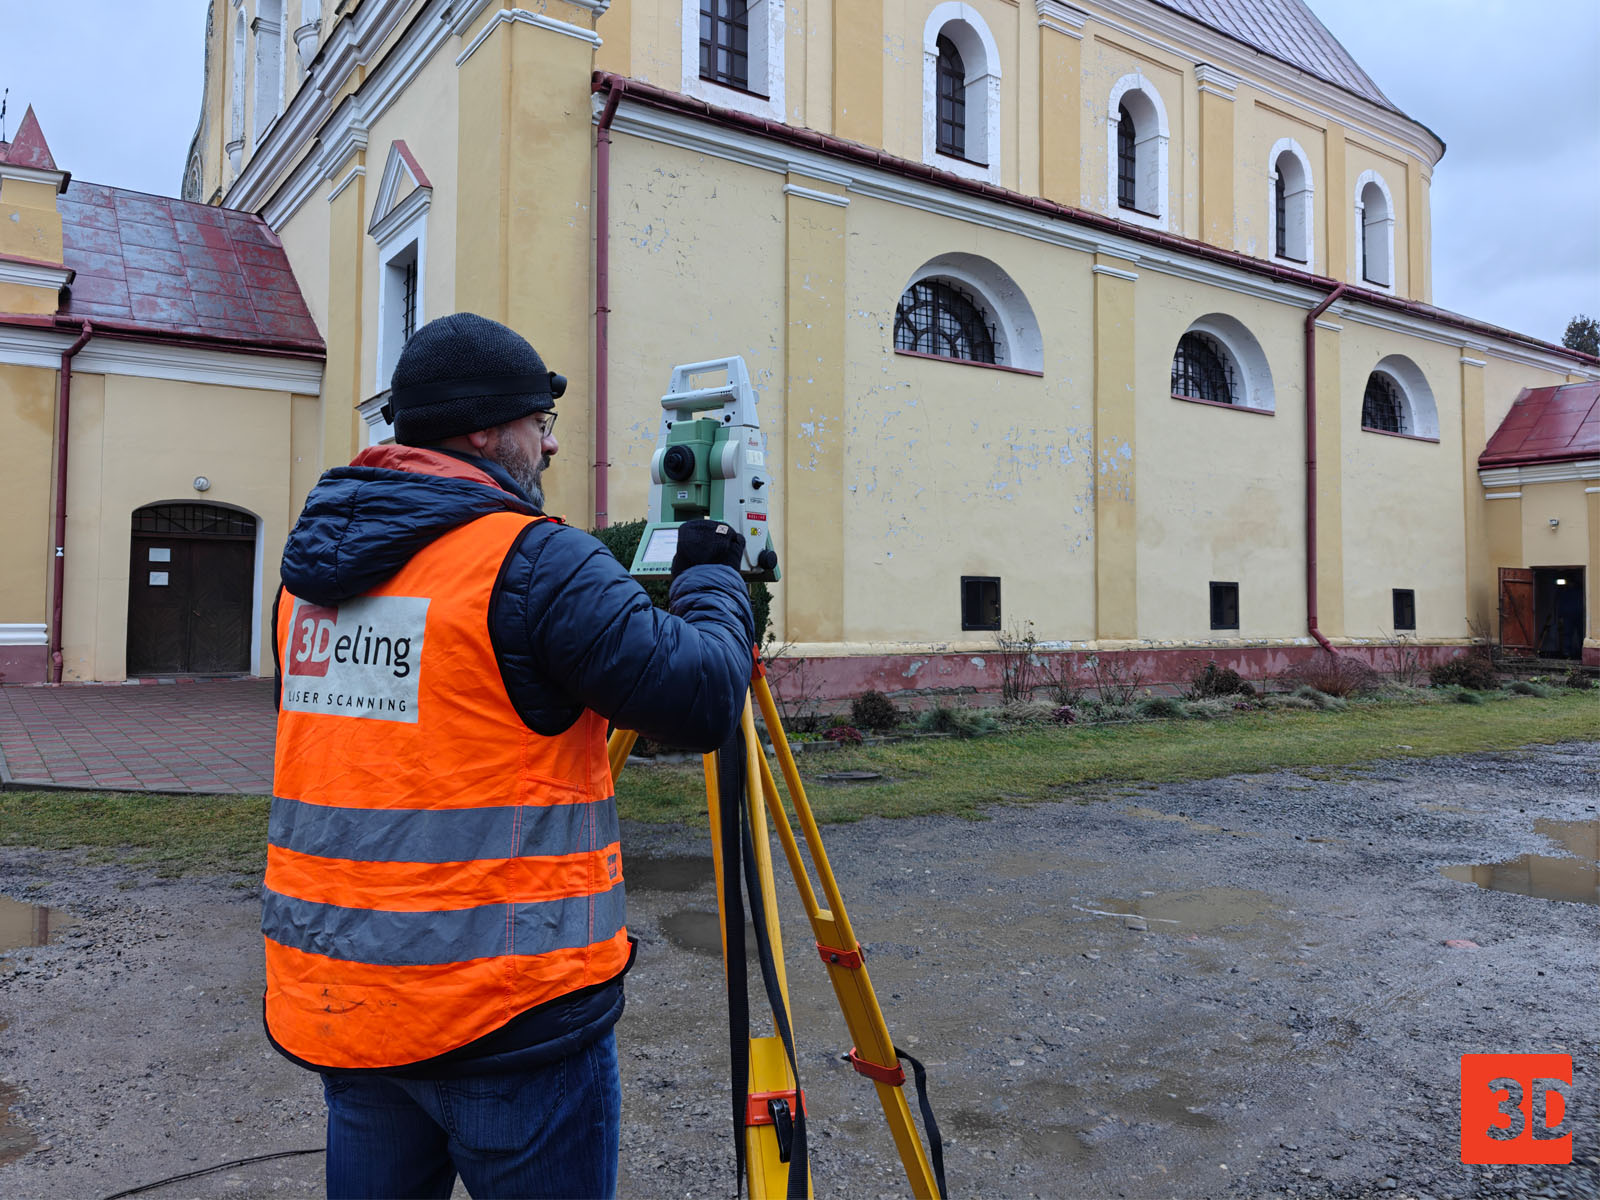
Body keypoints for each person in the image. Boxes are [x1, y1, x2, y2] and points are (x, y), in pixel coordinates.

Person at [263, 312, 755, 1200]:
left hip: (349, 1007)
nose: (551, 444)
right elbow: (703, 698)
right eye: (541, 423)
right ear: (486, 430)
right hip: (506, 1016)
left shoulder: (306, 579)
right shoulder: (531, 562)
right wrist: (716, 577)